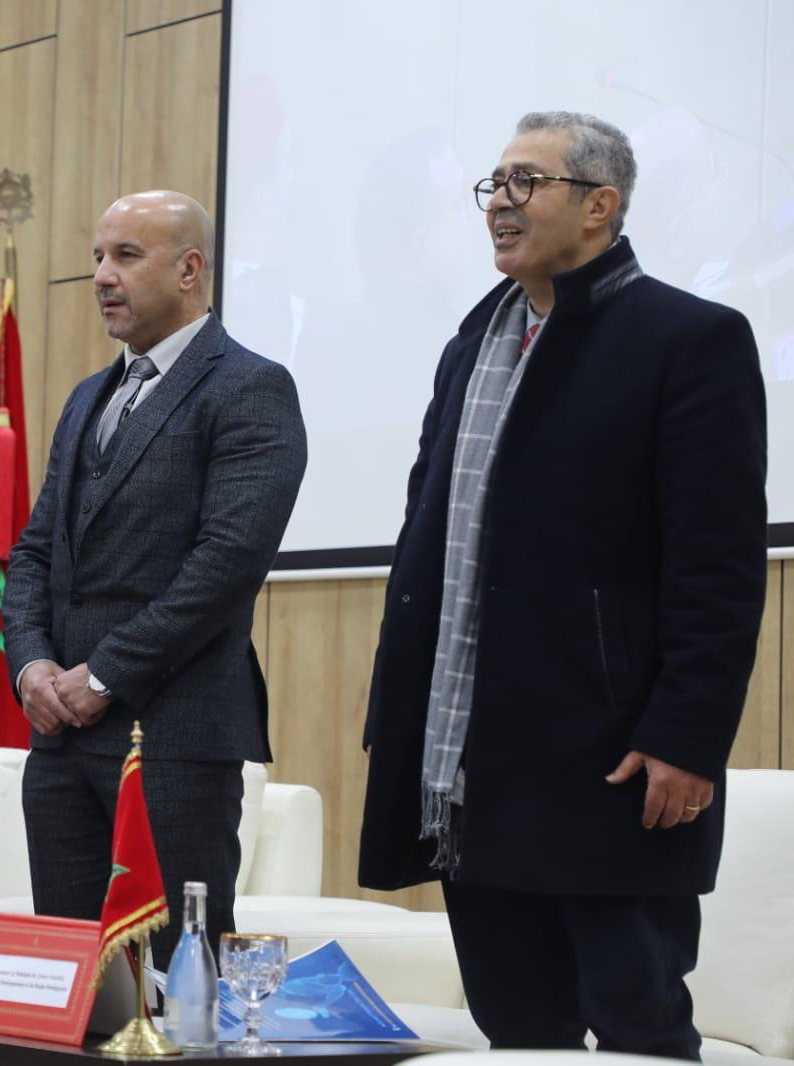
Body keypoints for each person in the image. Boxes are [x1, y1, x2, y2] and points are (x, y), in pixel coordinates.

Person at [359, 112, 767, 1058]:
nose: (499, 204)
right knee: (519, 1033)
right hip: (472, 769)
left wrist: (686, 736)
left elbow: (719, 565)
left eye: (525, 183)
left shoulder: (688, 338)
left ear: (600, 206)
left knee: (638, 1029)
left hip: (611, 766)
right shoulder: (474, 342)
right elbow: (434, 538)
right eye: (493, 185)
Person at [3, 190, 308, 964]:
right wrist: (32, 663)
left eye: (126, 257)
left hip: (174, 736)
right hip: (61, 738)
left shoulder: (249, 386)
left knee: (178, 982)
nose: (103, 275)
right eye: (98, 258)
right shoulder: (86, 398)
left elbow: (225, 565)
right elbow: (37, 550)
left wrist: (103, 676)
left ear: (190, 268)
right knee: (71, 985)